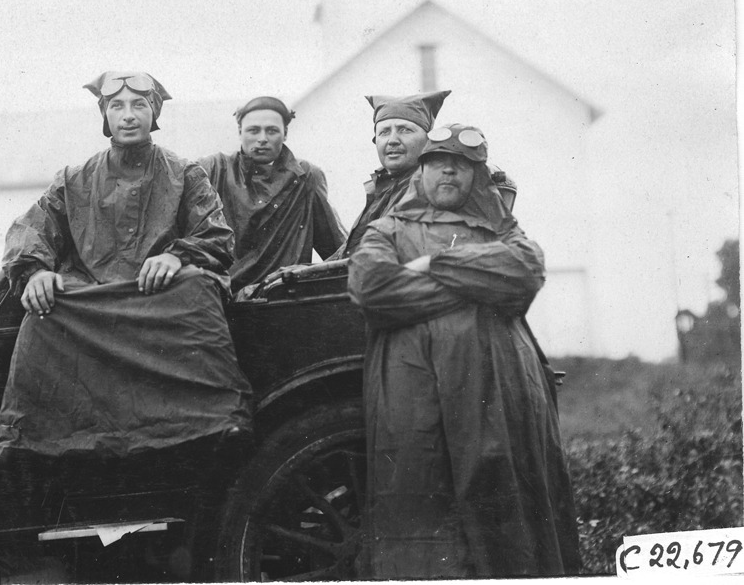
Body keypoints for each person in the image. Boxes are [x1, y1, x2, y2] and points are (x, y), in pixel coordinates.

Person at [0, 71, 251, 465]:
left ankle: (214, 419)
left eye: (139, 105)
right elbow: (32, 228)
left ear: (153, 112)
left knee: (196, 288)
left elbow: (216, 235)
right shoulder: (74, 179)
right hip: (94, 299)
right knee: (43, 308)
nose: (128, 115)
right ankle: (32, 440)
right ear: (104, 114)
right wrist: (35, 270)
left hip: (157, 298)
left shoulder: (185, 173)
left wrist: (176, 256)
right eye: (117, 106)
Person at [348, 124, 580, 578]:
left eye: (461, 165)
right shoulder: (388, 230)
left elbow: (526, 269)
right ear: (421, 172)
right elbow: (371, 287)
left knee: (503, 494)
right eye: (438, 163)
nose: (448, 172)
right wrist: (478, 287)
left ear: (477, 175)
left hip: (497, 389)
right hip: (415, 387)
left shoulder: (500, 229)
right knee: (420, 492)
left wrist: (435, 264)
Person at [197, 96, 346, 293]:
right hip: (220, 293)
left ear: (285, 134)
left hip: (281, 293)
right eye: (253, 130)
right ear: (240, 132)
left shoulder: (306, 176)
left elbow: (334, 245)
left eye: (272, 131)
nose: (262, 139)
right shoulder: (214, 169)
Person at [333, 89, 450, 258]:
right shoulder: (383, 187)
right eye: (384, 132)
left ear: (428, 140)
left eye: (405, 130)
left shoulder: (429, 189)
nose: (392, 140)